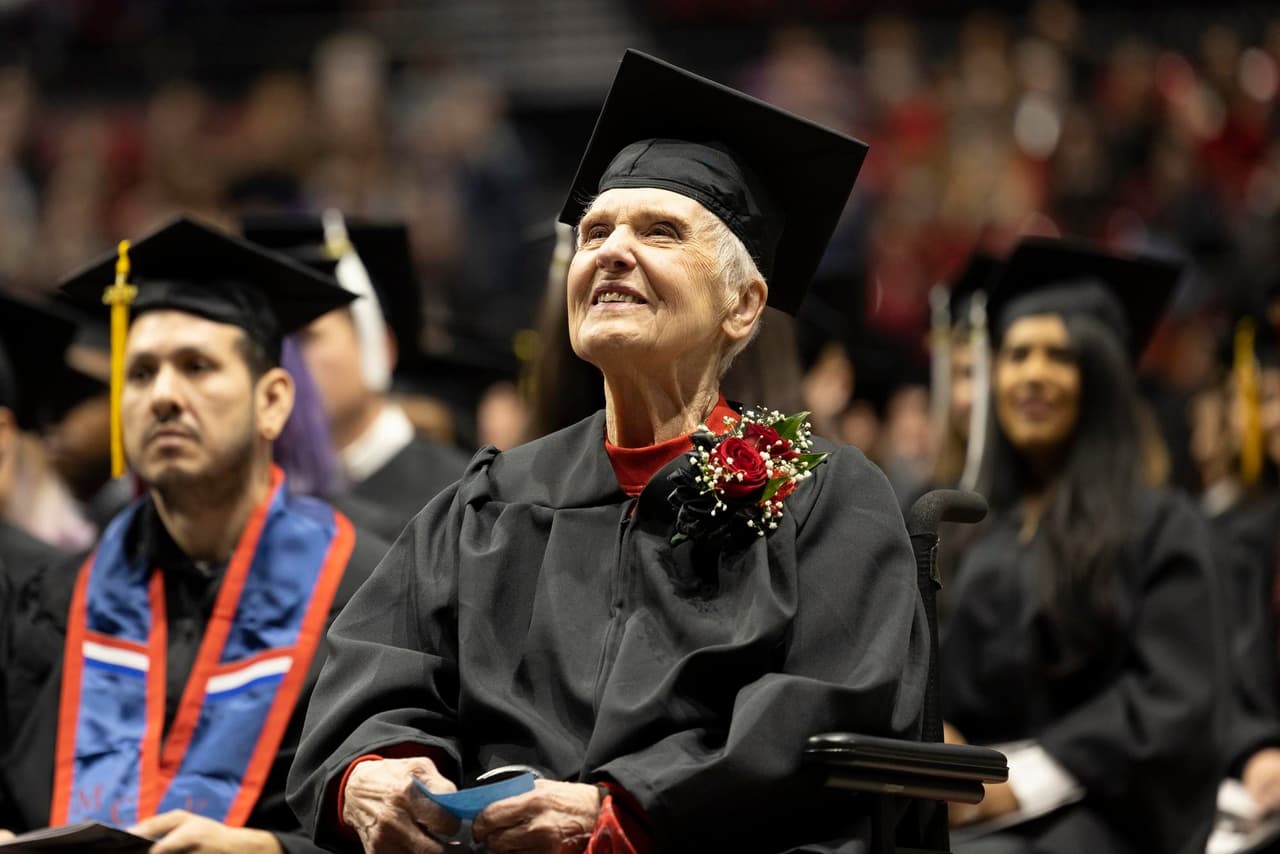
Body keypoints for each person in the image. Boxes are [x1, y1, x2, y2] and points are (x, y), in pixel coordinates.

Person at [287, 49, 929, 853]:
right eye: (594, 230)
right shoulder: (490, 502)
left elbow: (831, 712)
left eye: (659, 230)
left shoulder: (822, 497)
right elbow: (381, 668)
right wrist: (377, 770)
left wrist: (623, 814)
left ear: (744, 305)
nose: (609, 251)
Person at [0, 216, 390, 853]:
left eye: (197, 367)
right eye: (142, 372)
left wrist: (271, 851)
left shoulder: (369, 598)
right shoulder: (55, 600)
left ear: (273, 402)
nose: (163, 396)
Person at [941, 237, 1224, 853]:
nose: (1033, 374)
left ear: (1097, 377)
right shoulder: (972, 528)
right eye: (1016, 355)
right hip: (979, 804)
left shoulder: (1159, 525)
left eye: (1059, 356)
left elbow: (1171, 700)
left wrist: (1021, 781)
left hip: (1107, 807)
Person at [244, 213, 470, 540]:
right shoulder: (263, 494)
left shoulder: (459, 493)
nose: (286, 360)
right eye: (275, 343)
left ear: (380, 347)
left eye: (306, 337)